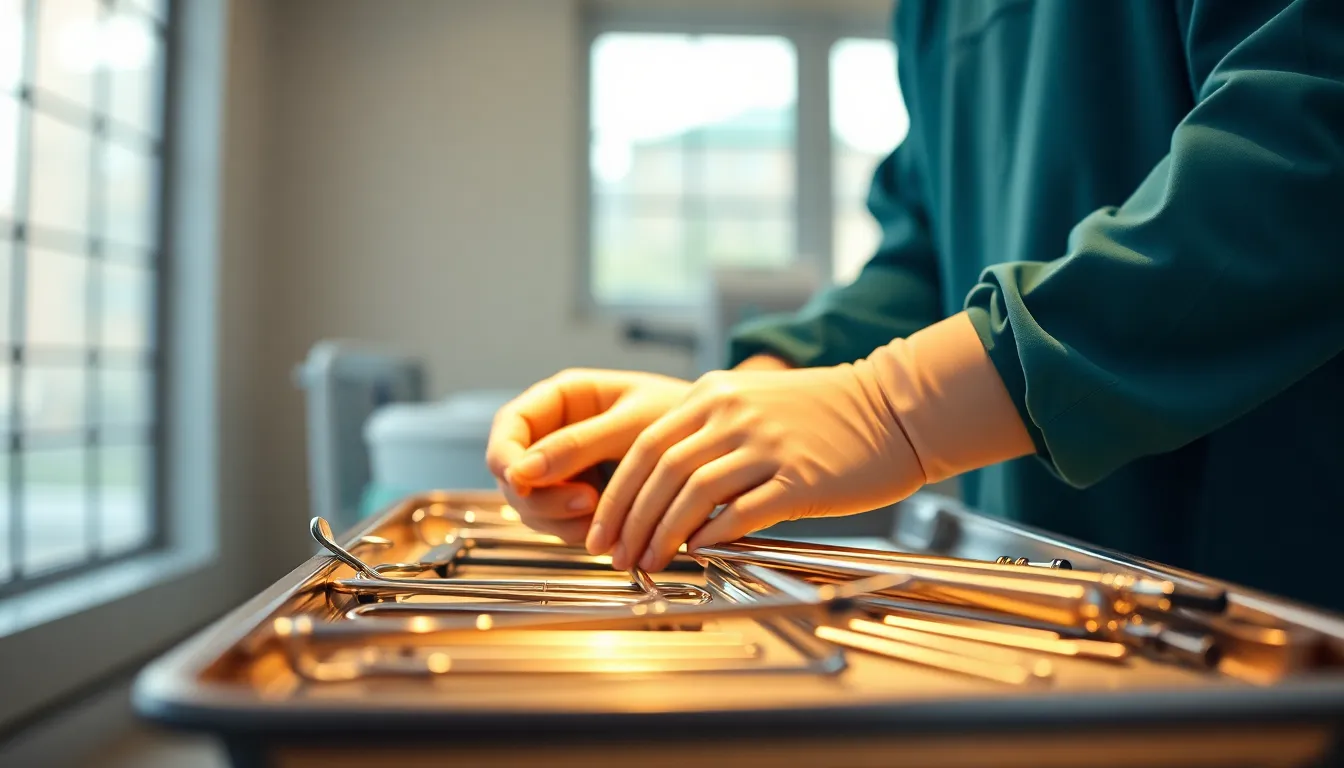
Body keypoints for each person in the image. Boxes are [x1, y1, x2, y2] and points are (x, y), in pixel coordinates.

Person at [487, 0, 1344, 609]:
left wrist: (893, 407)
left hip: (1282, 597)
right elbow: (924, 254)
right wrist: (731, 411)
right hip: (1065, 603)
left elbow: (1303, 164)